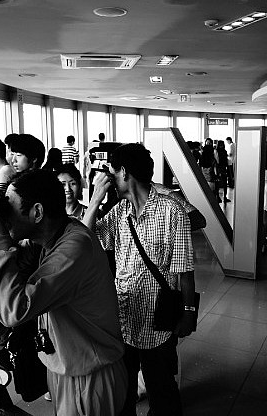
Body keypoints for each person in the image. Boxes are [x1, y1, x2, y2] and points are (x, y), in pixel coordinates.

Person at [0, 170, 128, 414]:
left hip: (89, 378)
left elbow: (14, 309)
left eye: (10, 206)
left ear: (37, 212)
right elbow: (15, 267)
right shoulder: (51, 237)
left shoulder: (74, 247)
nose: (5, 214)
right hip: (68, 369)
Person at [83, 143, 196, 416]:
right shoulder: (120, 211)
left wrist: (188, 312)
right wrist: (95, 200)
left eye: (112, 172)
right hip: (123, 317)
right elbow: (84, 241)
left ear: (124, 172)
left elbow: (184, 271)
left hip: (158, 322)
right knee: (123, 391)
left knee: (162, 389)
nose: (110, 178)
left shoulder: (172, 212)